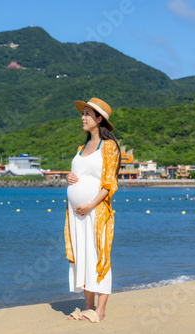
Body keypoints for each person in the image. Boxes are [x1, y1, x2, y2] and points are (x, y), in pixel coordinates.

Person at [64, 97, 121, 323]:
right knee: (83, 255)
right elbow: (78, 175)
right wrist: (67, 177)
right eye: (83, 113)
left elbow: (109, 185)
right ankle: (87, 306)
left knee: (99, 255)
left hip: (95, 212)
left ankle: (100, 311)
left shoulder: (109, 147)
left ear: (99, 119)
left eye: (88, 114)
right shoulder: (81, 148)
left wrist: (89, 205)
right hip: (75, 213)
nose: (83, 117)